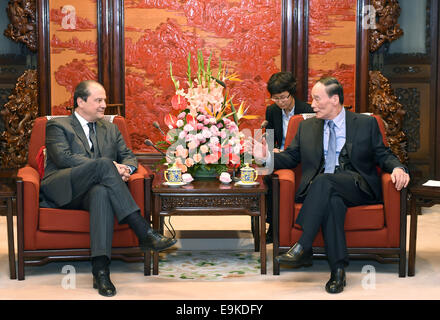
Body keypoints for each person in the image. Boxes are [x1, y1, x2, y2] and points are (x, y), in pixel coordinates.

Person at [253, 77, 410, 293]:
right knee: (332, 202)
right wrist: (266, 158)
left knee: (324, 181)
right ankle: (338, 271)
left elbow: (382, 154)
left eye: (317, 99)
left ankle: (303, 244)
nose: (313, 105)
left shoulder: (366, 123)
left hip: (357, 185)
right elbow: (290, 158)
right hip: (322, 188)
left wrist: (398, 168)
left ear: (335, 99)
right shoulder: (306, 126)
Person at [39, 80, 177, 297]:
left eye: (104, 100)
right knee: (104, 163)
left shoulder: (111, 129)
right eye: (98, 100)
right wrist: (110, 167)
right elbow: (64, 159)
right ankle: (143, 230)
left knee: (101, 192)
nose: (104, 105)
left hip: (95, 190)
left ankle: (101, 271)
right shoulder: (58, 126)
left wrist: (127, 170)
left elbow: (129, 157)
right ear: (80, 102)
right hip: (65, 188)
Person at [264, 72, 313, 243]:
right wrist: (273, 149)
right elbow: (269, 138)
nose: (280, 102)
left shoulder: (307, 111)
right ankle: (272, 225)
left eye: (283, 97)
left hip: (300, 157)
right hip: (280, 157)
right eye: (276, 98)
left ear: (291, 93)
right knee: (268, 177)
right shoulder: (272, 111)